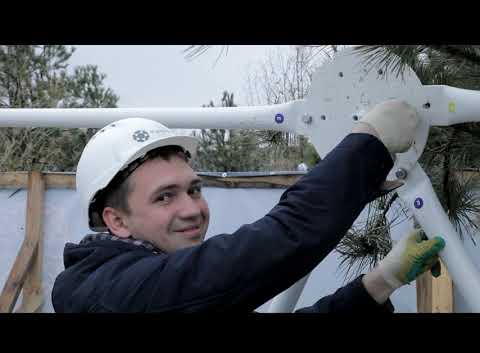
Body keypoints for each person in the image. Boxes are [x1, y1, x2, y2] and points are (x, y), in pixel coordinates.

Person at [52, 100, 445, 313]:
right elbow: (273, 244)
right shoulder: (109, 295)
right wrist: (367, 145)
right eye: (164, 196)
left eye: (194, 189)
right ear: (116, 220)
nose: (192, 209)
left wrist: (381, 282)